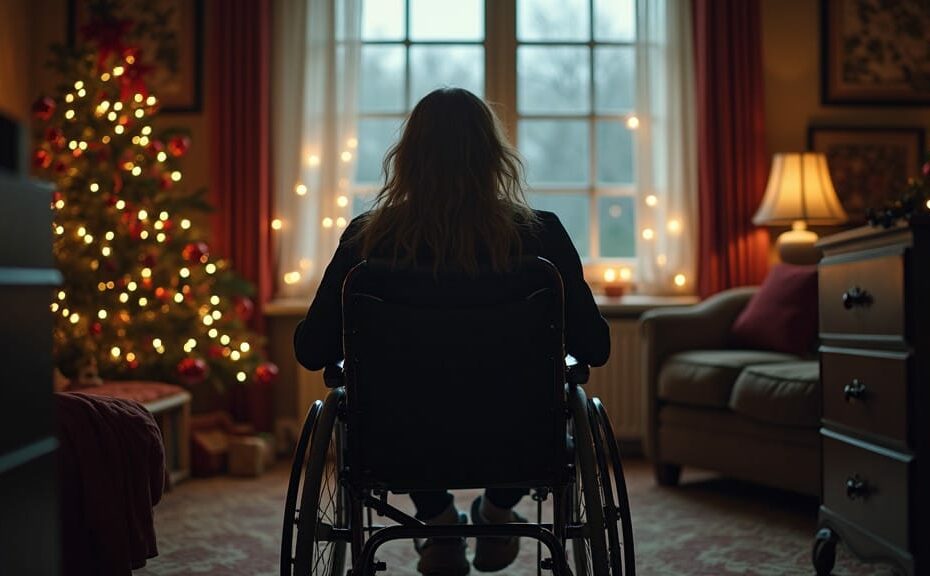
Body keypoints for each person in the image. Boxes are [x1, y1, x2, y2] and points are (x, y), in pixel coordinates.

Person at [294, 87, 609, 576]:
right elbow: (596, 347)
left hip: (397, 439)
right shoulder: (541, 234)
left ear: (408, 159)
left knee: (403, 396)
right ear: (493, 158)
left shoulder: (367, 239)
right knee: (535, 399)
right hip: (518, 436)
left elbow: (312, 350)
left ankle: (437, 519)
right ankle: (498, 513)